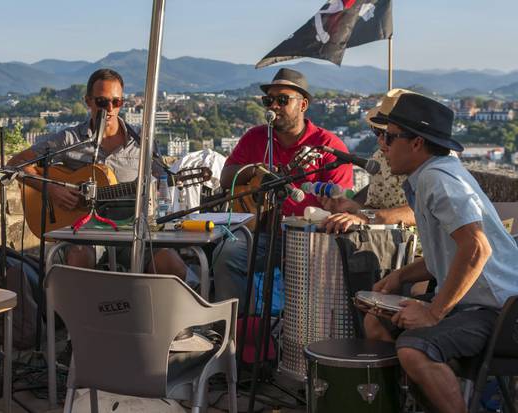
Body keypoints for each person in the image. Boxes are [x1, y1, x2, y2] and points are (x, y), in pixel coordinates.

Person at [361, 92, 518, 413]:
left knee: (414, 350)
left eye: (389, 137)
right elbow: (449, 254)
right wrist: (401, 276)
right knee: (376, 323)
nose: (383, 145)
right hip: (475, 304)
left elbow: (477, 248)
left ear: (417, 143)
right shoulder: (431, 175)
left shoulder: (437, 179)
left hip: (499, 312)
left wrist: (433, 313)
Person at [9, 68, 195, 284]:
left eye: (116, 102)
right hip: (87, 233)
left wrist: (162, 188)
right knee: (78, 259)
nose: (109, 109)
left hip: (130, 231)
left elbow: (162, 180)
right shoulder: (70, 139)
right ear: (88, 101)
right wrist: (52, 190)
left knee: (173, 267)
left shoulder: (142, 142)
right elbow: (16, 164)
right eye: (102, 101)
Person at [214, 67, 353, 306]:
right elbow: (226, 178)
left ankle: (291, 333)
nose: (273, 106)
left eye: (282, 100)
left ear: (303, 105)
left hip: (310, 238)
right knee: (226, 254)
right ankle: (236, 326)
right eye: (269, 100)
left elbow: (339, 205)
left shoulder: (328, 145)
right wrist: (256, 170)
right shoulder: (255, 137)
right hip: (262, 233)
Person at [321, 88, 416, 233]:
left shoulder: (432, 160)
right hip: (386, 246)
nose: (380, 141)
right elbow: (375, 209)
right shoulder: (379, 158)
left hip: (421, 251)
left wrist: (365, 218)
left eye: (387, 135)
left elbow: (422, 211)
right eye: (377, 132)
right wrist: (352, 208)